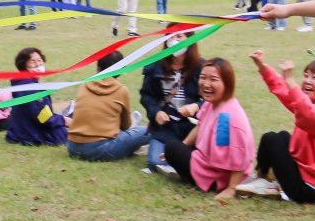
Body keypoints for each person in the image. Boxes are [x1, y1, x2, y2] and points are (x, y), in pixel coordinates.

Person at [237, 52, 315, 203]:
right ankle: (263, 179)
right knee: (273, 137)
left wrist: (290, 80)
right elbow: (286, 92)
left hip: (312, 190)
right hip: (306, 177)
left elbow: (309, 114)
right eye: (306, 75)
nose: (308, 81)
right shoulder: (311, 102)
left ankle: (268, 183)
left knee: (277, 140)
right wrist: (263, 68)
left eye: (314, 78)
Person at [160, 58, 254, 200]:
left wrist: (231, 188)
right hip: (206, 159)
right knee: (176, 146)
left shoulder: (226, 118)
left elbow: (237, 157)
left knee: (171, 147)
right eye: (203, 77)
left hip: (215, 175)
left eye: (213, 79)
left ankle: (210, 182)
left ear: (227, 83)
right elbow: (199, 127)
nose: (206, 83)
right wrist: (183, 147)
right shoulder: (212, 103)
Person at [66, 50, 149, 161]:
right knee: (149, 130)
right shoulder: (121, 90)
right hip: (100, 149)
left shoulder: (85, 84)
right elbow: (125, 125)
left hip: (72, 147)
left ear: (98, 68)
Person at [139, 35, 203, 170]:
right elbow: (146, 95)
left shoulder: (202, 67)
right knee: (156, 163)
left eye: (180, 36)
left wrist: (196, 106)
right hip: (165, 128)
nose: (175, 40)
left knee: (197, 162)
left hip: (193, 128)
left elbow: (215, 101)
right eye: (171, 36)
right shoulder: (155, 66)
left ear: (190, 40)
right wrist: (156, 112)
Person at [5, 47, 70, 146]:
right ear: (24, 65)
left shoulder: (24, 83)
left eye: (40, 61)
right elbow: (43, 118)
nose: (38, 65)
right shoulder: (30, 87)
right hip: (33, 134)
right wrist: (63, 120)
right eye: (33, 62)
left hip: (21, 130)